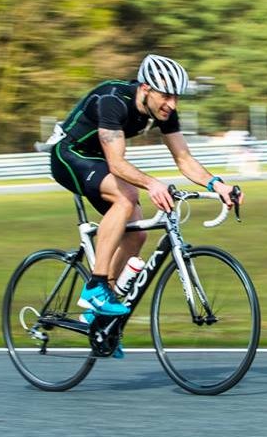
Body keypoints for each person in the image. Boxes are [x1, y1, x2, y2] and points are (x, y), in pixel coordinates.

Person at [50, 54, 242, 342]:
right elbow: (116, 164)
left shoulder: (164, 111)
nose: (172, 104)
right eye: (166, 96)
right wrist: (153, 184)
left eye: (176, 97)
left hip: (97, 161)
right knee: (127, 196)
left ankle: (99, 317)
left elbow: (184, 159)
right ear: (145, 88)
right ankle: (96, 286)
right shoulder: (113, 100)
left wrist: (218, 185)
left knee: (137, 235)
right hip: (69, 155)